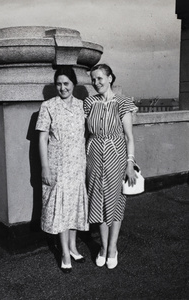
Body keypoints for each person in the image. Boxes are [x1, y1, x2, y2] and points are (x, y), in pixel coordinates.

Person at [84, 63, 138, 269]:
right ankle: (103, 248)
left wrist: (130, 164)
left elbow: (129, 137)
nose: (96, 82)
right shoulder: (89, 102)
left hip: (116, 157)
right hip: (94, 157)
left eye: (100, 78)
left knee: (115, 202)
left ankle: (113, 248)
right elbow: (85, 133)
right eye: (93, 79)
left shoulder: (123, 102)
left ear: (110, 78)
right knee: (97, 201)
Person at [35, 66, 89, 273]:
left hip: (77, 164)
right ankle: (65, 252)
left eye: (66, 83)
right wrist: (45, 167)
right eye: (59, 84)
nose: (62, 88)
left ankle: (74, 247)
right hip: (57, 165)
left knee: (74, 206)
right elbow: (42, 139)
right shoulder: (48, 106)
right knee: (61, 208)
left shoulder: (82, 106)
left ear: (73, 84)